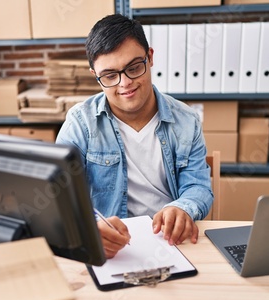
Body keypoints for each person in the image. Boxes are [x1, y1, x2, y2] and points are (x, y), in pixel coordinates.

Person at [55, 14, 213, 259]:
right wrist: (87, 228)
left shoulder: (186, 121)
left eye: (134, 67)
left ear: (150, 57)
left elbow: (198, 187)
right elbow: (59, 196)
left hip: (169, 243)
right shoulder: (80, 123)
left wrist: (183, 208)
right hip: (109, 246)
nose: (125, 83)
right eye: (109, 76)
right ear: (95, 75)